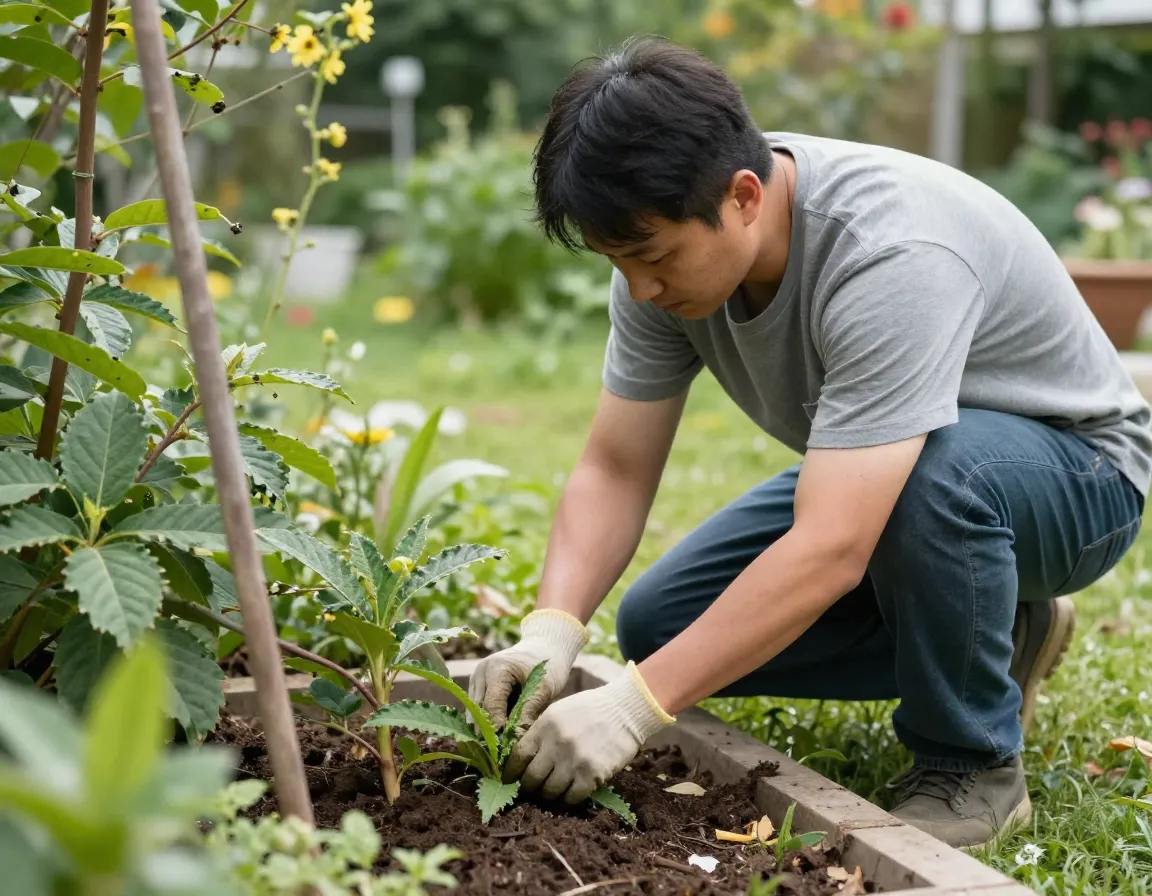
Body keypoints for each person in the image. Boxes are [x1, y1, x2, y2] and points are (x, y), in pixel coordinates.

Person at [466, 36, 1151, 850]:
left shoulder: (889, 252)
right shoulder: (662, 264)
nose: (641, 288)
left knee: (938, 478)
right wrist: (552, 630)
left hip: (1078, 478)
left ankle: (973, 768)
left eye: (652, 257)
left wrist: (633, 706)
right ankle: (998, 634)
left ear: (744, 196)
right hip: (909, 469)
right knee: (662, 624)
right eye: (620, 261)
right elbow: (615, 467)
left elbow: (832, 545)